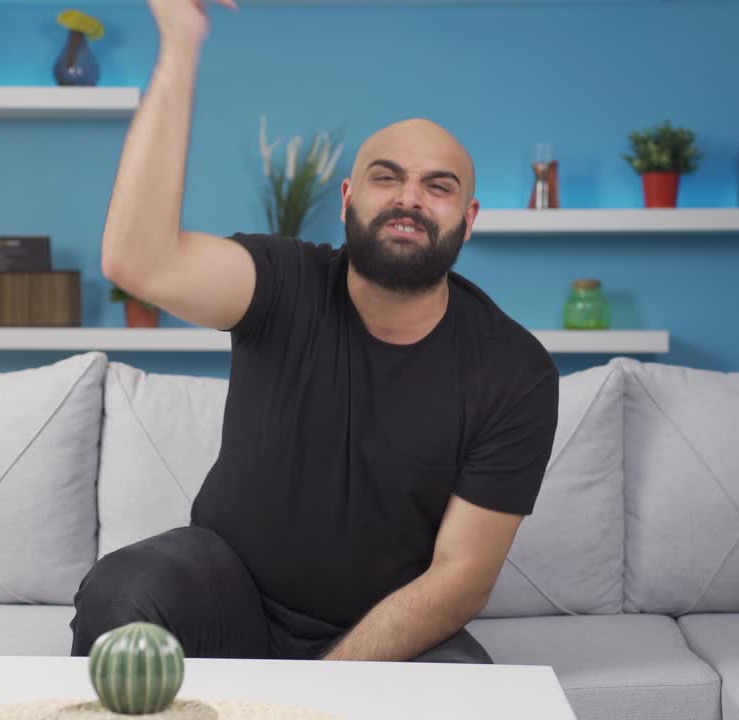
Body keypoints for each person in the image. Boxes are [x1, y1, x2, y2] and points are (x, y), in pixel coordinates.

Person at [70, 0, 559, 664]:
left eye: (437, 187)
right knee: (123, 592)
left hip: (390, 628)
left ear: (468, 219)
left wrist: (322, 693)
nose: (410, 198)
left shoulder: (515, 372)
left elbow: (459, 580)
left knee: (468, 694)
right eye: (387, 177)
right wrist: (181, 44)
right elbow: (138, 260)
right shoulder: (281, 283)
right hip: (230, 592)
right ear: (349, 199)